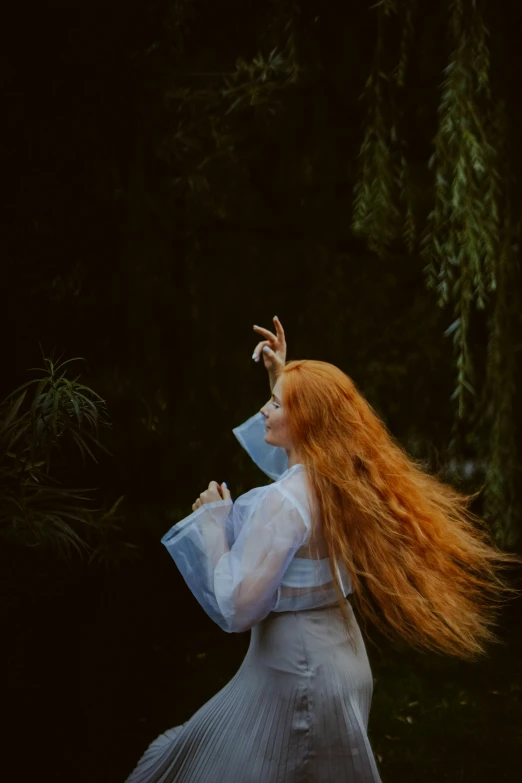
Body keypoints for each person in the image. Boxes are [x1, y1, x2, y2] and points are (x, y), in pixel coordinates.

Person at [124, 316, 521, 783]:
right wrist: (284, 378)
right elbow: (291, 462)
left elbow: (237, 608)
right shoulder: (342, 481)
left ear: (306, 421)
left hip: (295, 677)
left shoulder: (286, 502)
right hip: (337, 662)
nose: (265, 412)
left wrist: (213, 522)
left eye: (275, 405)